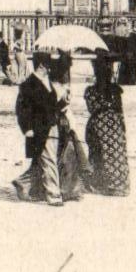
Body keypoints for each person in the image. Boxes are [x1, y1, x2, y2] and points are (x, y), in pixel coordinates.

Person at [13, 52, 64, 206]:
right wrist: (27, 128)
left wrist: (62, 101)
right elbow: (22, 109)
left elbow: (51, 105)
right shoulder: (28, 84)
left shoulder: (46, 81)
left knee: (39, 161)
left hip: (51, 126)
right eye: (49, 65)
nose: (51, 68)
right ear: (42, 66)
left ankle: (22, 182)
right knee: (49, 161)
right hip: (39, 128)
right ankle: (54, 195)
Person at [83, 51, 130, 196]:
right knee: (116, 152)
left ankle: (99, 183)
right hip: (114, 123)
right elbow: (120, 110)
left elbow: (92, 108)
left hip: (99, 124)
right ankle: (117, 184)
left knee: (98, 153)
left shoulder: (91, 91)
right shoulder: (115, 90)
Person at [50, 54, 88, 201]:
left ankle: (68, 188)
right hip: (63, 122)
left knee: (66, 155)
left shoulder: (57, 85)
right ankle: (67, 188)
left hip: (65, 121)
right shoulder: (58, 87)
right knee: (67, 155)